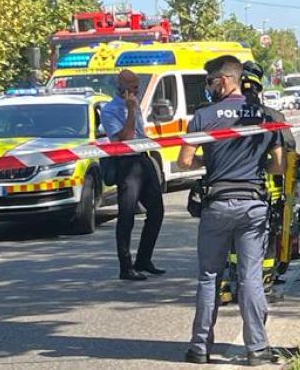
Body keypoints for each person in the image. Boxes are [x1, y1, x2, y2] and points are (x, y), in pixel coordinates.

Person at [178, 55, 285, 366]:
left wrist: (208, 161)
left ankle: (199, 348)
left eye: (210, 81)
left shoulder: (203, 117)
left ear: (224, 80)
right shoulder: (266, 116)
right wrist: (257, 163)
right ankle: (257, 349)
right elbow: (278, 166)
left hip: (217, 205)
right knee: (250, 277)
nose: (209, 88)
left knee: (209, 276)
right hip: (252, 205)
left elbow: (184, 162)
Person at [99, 69, 164, 281]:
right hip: (126, 163)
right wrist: (128, 110)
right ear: (122, 87)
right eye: (134, 87)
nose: (137, 90)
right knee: (127, 215)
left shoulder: (134, 103)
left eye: (137, 86)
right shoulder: (110, 110)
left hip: (143, 158)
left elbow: (139, 133)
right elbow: (124, 138)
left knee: (157, 211)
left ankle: (144, 259)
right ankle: (125, 267)